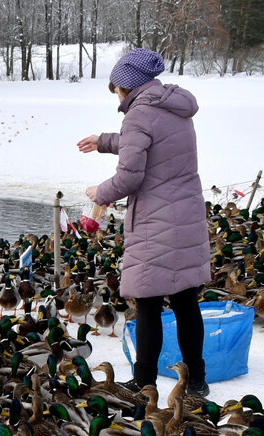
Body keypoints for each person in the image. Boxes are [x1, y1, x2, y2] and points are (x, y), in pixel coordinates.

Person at [77, 48, 211, 397]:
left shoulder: (138, 115)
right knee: (185, 301)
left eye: (116, 90)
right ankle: (196, 381)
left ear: (127, 86)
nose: (117, 97)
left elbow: (129, 178)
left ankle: (144, 381)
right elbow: (154, 144)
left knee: (148, 301)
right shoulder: (174, 107)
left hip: (156, 220)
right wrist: (104, 141)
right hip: (187, 214)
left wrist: (99, 193)